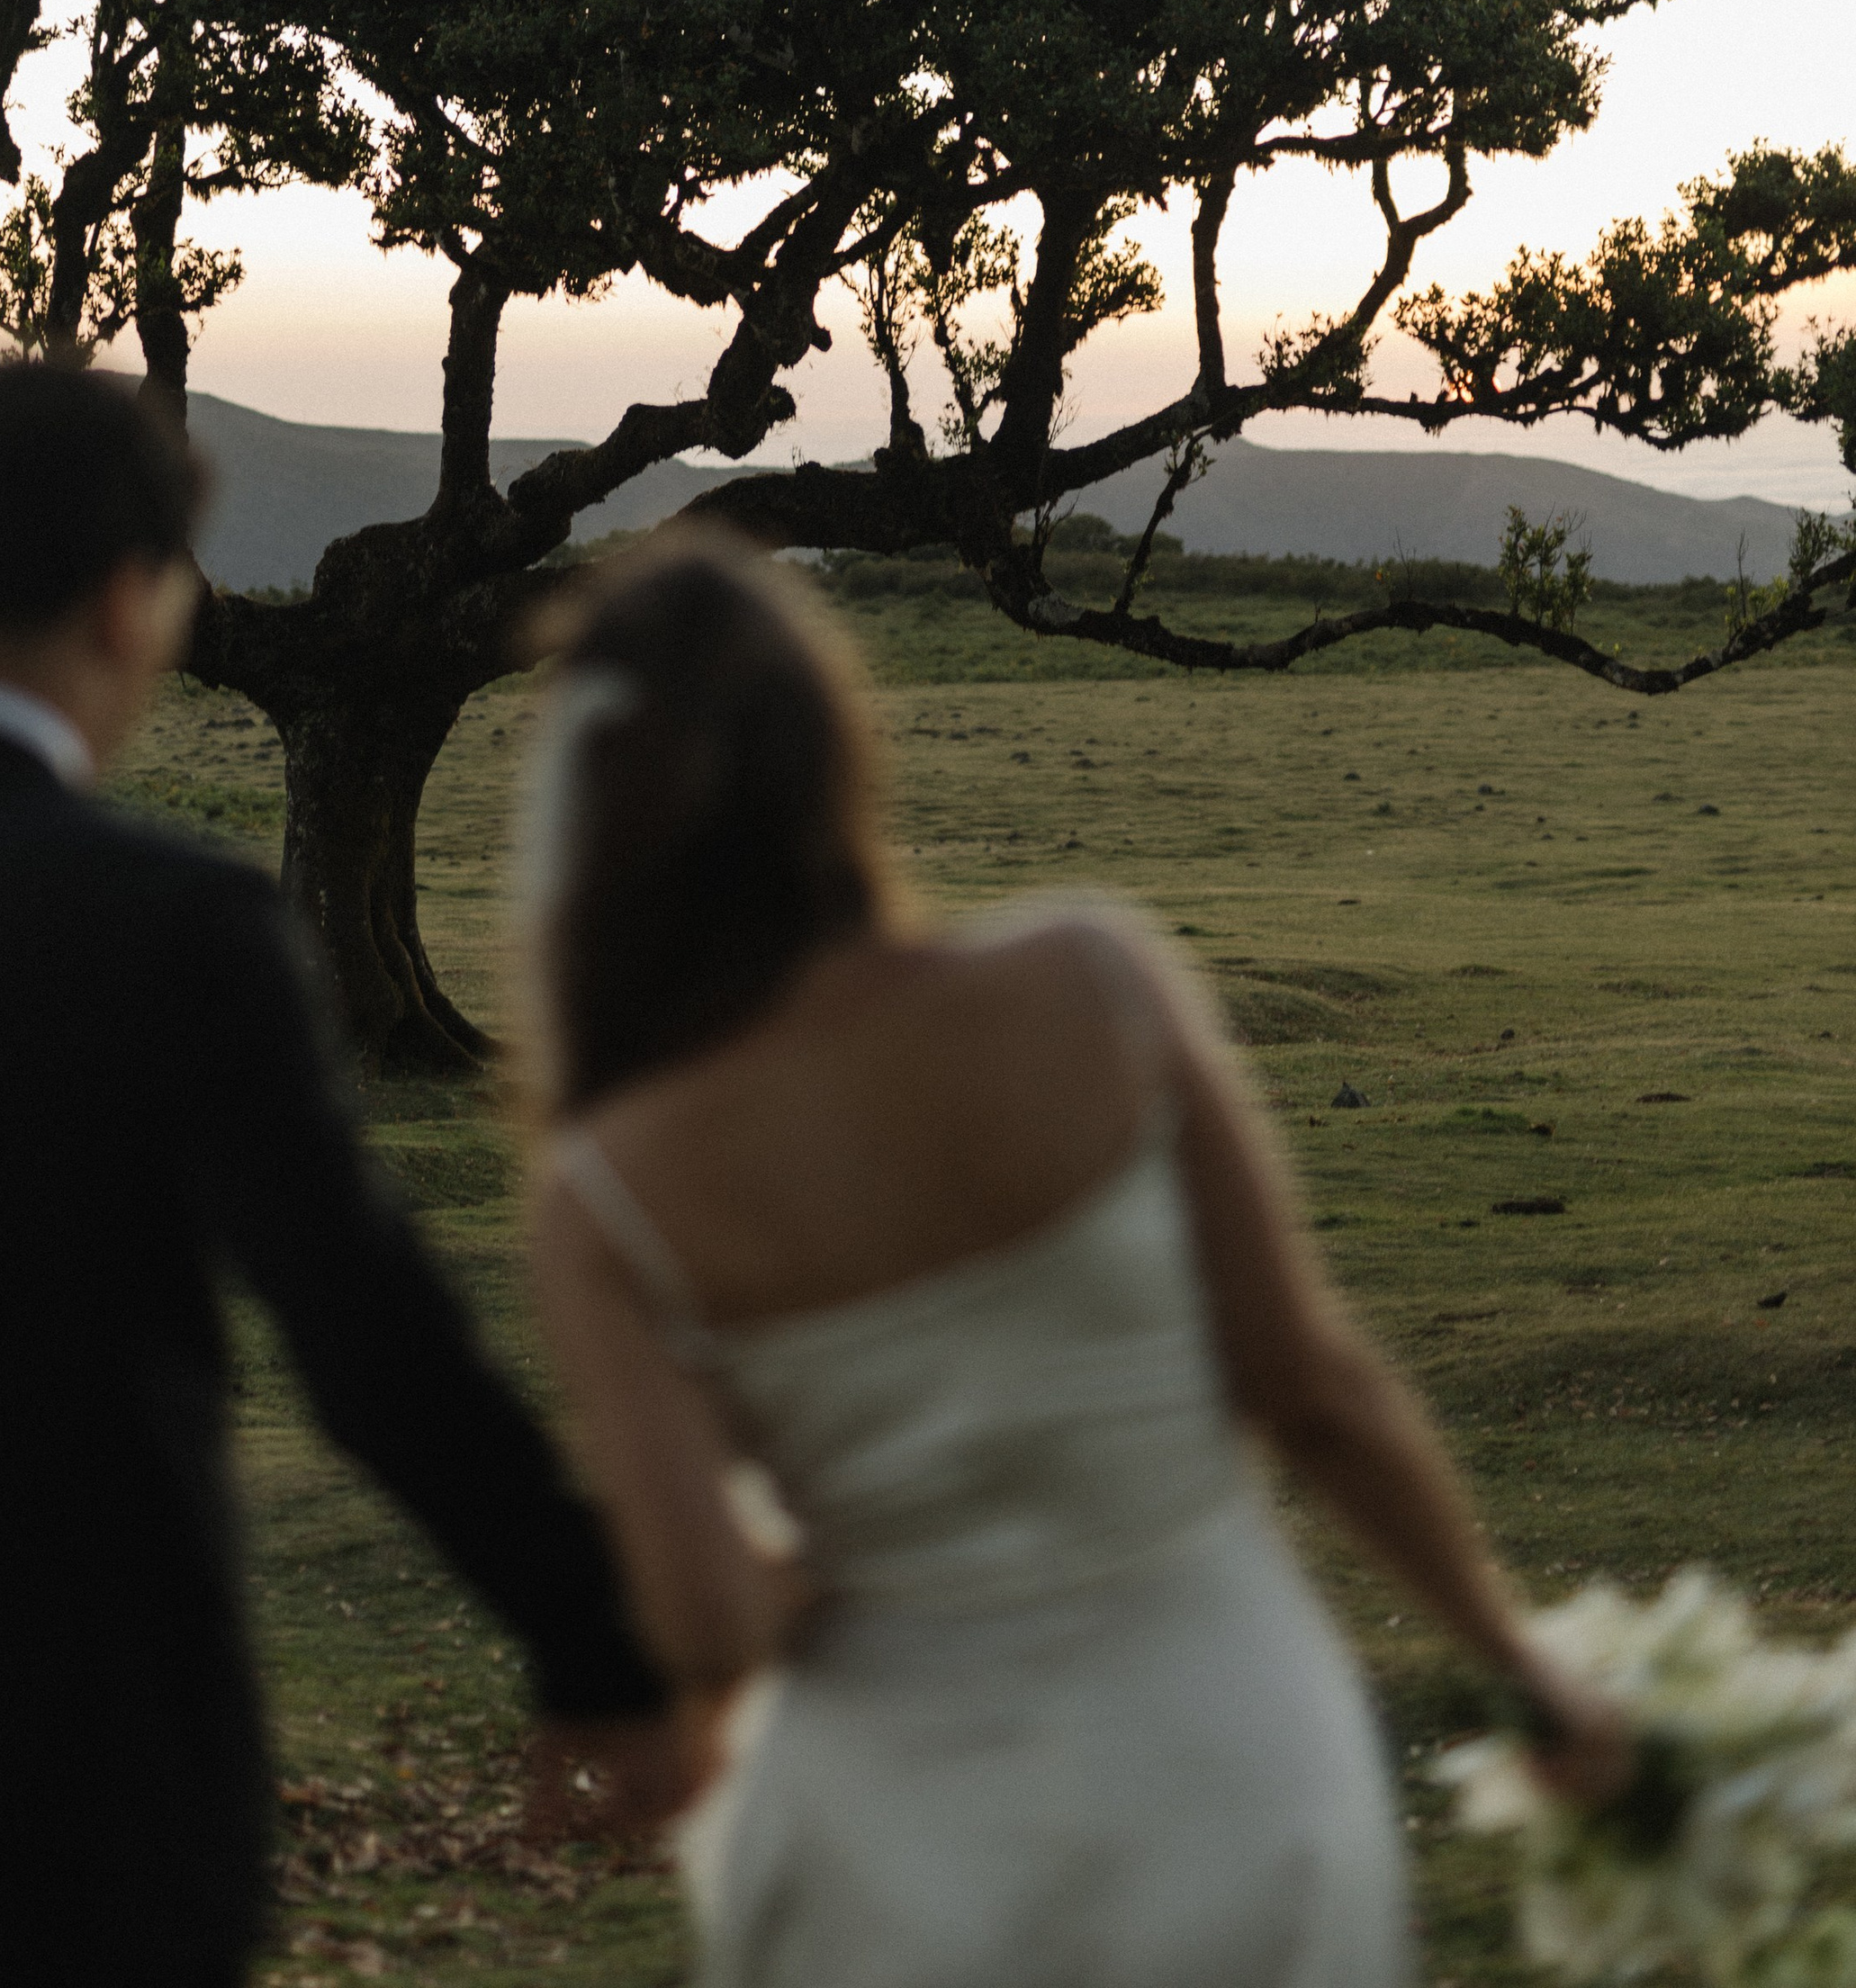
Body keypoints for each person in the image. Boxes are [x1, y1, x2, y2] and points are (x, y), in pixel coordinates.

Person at [0, 367, 679, 1988]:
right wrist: (595, 1642)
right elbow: (364, 1341)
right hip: (91, 1789)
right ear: (131, 601)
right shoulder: (171, 925)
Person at [522, 535, 1626, 1988]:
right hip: (1227, 1770)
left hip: (898, 1859)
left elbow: (709, 1621)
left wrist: (864, 1559)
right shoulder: (1093, 981)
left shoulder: (608, 1190)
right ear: (830, 753)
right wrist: (1519, 1659)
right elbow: (1313, 1390)